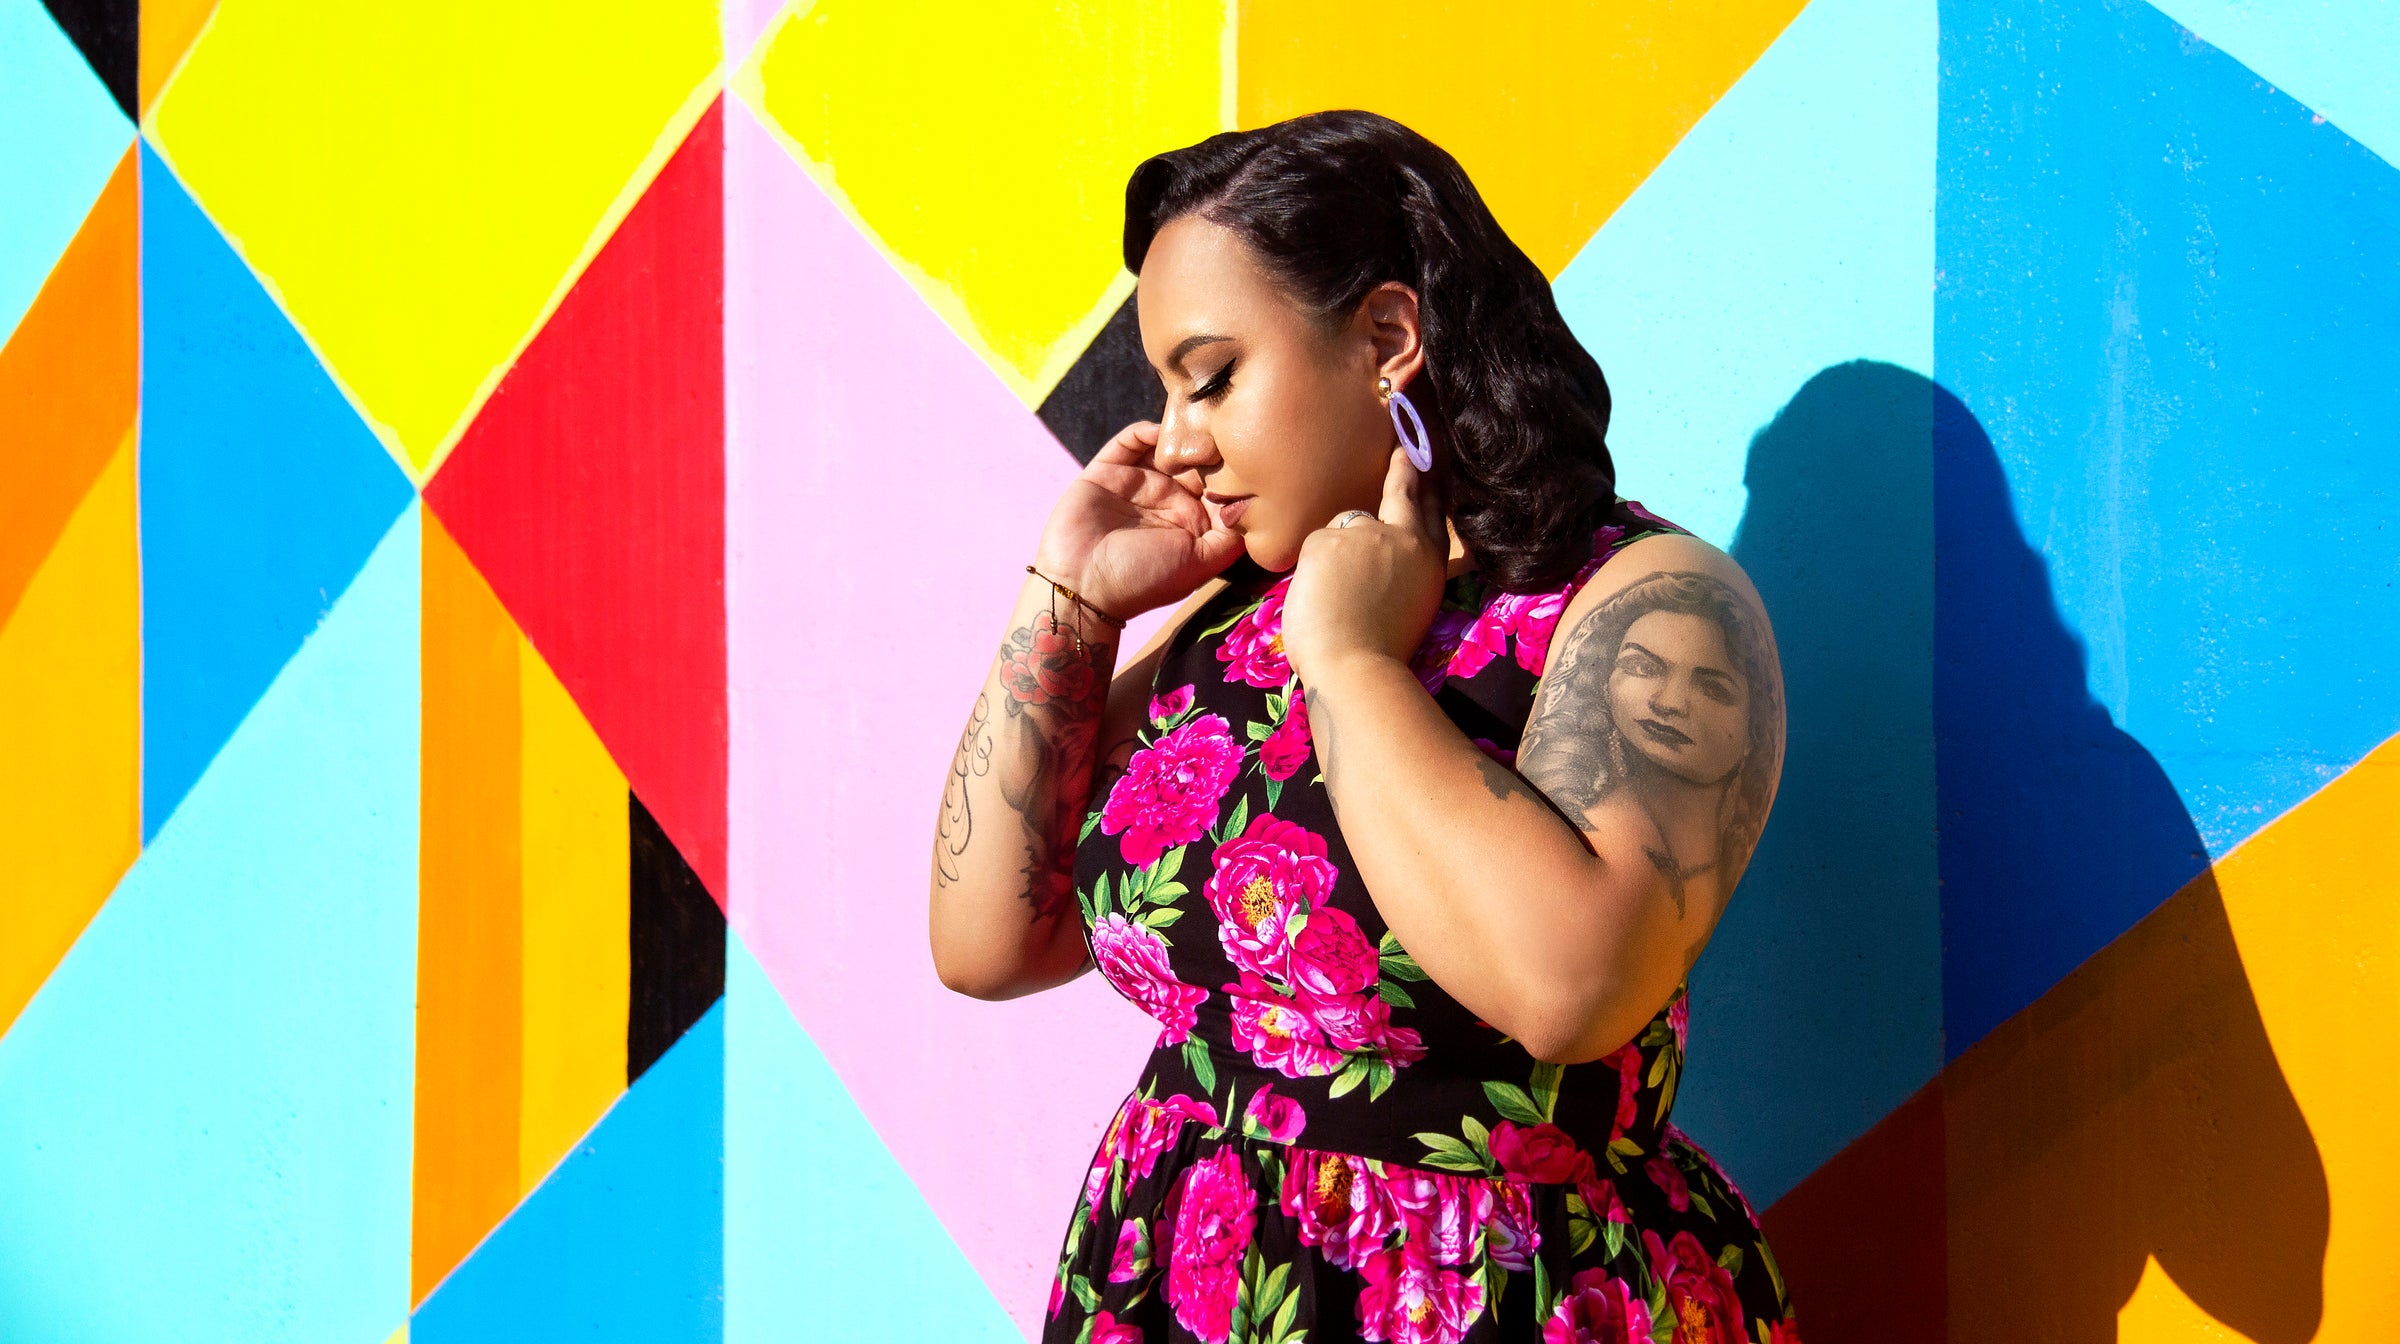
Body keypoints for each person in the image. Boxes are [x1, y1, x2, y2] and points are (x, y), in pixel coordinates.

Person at [928, 109, 1797, 1344]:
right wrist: (1067, 602)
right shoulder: (1232, 628)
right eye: (1164, 391)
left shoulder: (1644, 606)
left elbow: (1572, 985)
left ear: (1388, 335)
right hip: (1184, 1284)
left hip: (1508, 1302)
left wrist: (1346, 661)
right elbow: (989, 945)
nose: (1178, 442)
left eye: (1212, 376)